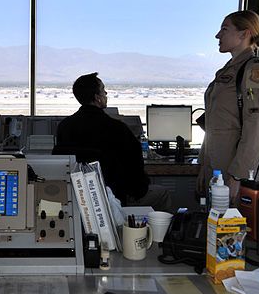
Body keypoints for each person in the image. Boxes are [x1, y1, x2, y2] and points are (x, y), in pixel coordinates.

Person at [56, 72, 174, 212]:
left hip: (80, 198)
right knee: (162, 194)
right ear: (97, 98)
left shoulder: (64, 127)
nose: (106, 93)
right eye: (103, 90)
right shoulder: (117, 128)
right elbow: (136, 169)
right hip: (117, 199)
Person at [197, 10, 259, 204]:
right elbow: (215, 125)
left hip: (234, 171)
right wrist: (203, 169)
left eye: (224, 29)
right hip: (215, 168)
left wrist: (239, 176)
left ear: (244, 34)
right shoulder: (228, 71)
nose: (217, 35)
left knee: (234, 231)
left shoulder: (254, 69)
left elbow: (257, 127)